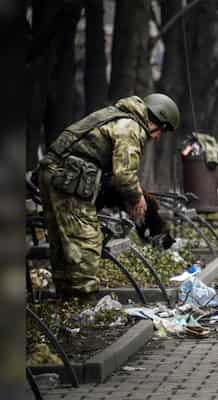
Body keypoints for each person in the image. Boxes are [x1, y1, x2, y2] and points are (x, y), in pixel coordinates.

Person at [37, 93, 180, 298]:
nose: (157, 137)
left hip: (55, 175)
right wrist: (136, 198)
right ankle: (82, 304)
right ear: (157, 119)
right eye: (162, 131)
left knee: (62, 245)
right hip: (68, 180)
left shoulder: (117, 116)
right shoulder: (130, 126)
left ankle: (65, 301)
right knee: (86, 244)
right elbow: (125, 175)